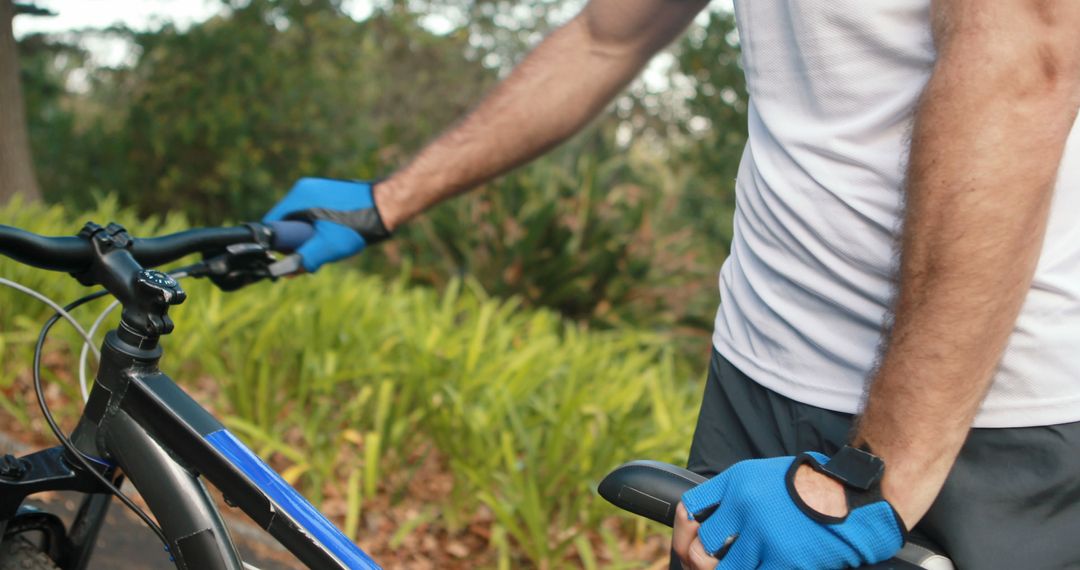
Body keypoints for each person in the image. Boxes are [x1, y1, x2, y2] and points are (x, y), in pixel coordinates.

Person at [264, 1, 1080, 568]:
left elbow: (1025, 67)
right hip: (759, 374)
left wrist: (870, 474)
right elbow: (605, 35)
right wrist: (383, 204)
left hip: (976, 422)